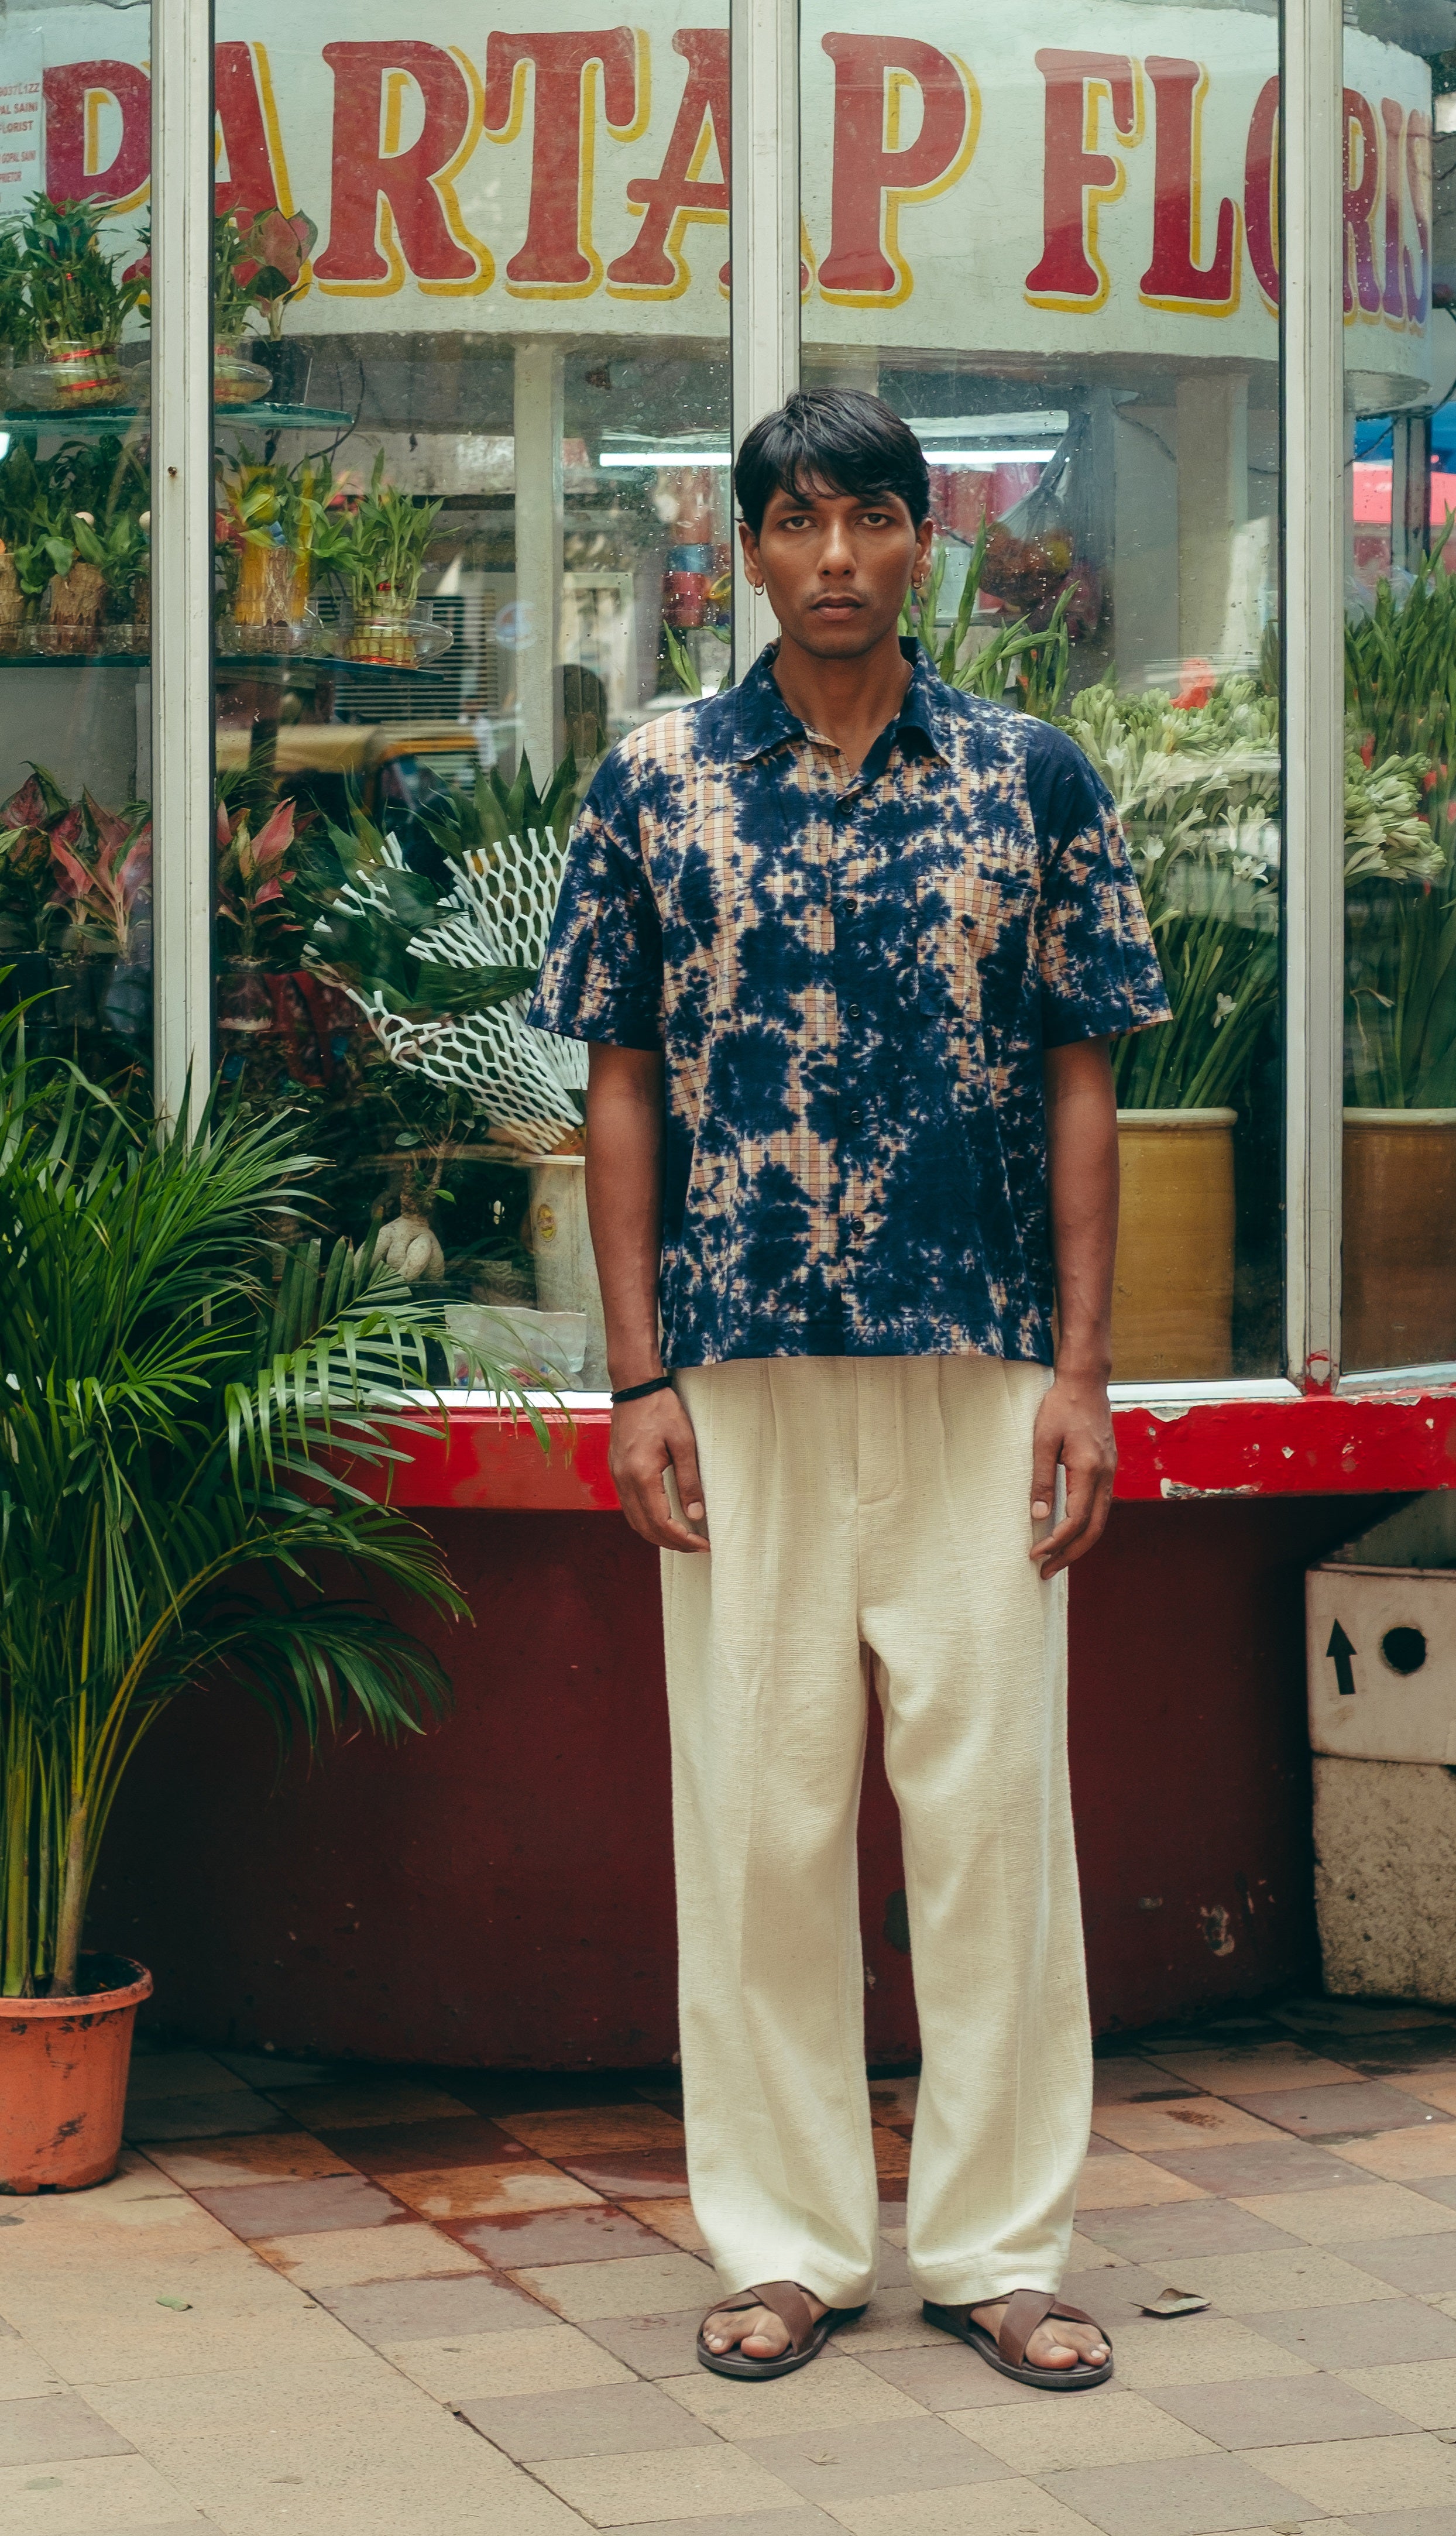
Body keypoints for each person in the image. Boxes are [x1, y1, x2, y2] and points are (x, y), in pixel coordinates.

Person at [528, 387, 1168, 2390]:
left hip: (978, 1371)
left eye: (867, 519)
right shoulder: (656, 785)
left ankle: (997, 2247)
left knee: (991, 1824)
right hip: (737, 1374)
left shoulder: (1029, 779)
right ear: (747, 548)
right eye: (793, 521)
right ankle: (786, 2236)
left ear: (921, 540)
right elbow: (613, 1085)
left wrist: (1084, 1378)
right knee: (762, 1823)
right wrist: (633, 1377)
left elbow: (1087, 1074)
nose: (830, 556)